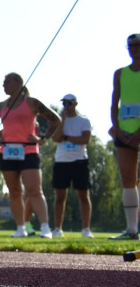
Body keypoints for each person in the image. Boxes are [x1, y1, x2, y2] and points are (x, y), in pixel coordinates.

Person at [0, 73, 61, 238]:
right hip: (8, 152)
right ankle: (20, 228)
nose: (3, 85)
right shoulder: (0, 106)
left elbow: (56, 119)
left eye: (7, 82)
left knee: (34, 190)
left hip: (29, 151)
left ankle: (45, 228)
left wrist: (43, 139)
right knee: (14, 191)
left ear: (18, 83)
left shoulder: (32, 103)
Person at [110, 33, 140, 240]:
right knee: (128, 179)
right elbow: (114, 103)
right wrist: (117, 128)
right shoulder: (120, 73)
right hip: (124, 132)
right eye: (130, 46)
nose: (134, 49)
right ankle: (131, 229)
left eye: (137, 45)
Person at [51, 93, 93, 238]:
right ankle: (57, 229)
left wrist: (67, 138)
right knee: (60, 197)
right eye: (64, 103)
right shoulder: (59, 121)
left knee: (83, 195)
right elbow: (56, 138)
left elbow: (85, 139)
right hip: (61, 161)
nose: (66, 106)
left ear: (75, 104)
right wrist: (62, 121)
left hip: (79, 161)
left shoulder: (83, 121)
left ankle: (86, 229)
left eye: (69, 103)